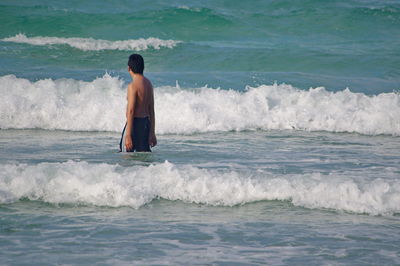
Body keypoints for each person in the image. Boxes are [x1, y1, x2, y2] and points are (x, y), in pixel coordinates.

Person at [124, 54, 157, 152]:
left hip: (135, 125)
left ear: (129, 68)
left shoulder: (132, 86)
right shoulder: (148, 84)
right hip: (146, 124)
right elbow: (151, 110)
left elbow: (131, 111)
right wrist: (152, 132)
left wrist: (128, 135)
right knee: (144, 158)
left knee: (130, 158)